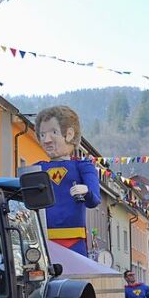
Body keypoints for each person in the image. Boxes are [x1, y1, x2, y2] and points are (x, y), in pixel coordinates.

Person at [34, 105, 101, 256]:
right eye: (42, 135)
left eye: (54, 133)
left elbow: (94, 200)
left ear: (69, 134)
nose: (47, 140)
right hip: (42, 240)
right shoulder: (36, 168)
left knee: (75, 276)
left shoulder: (83, 166)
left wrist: (86, 191)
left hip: (73, 239)